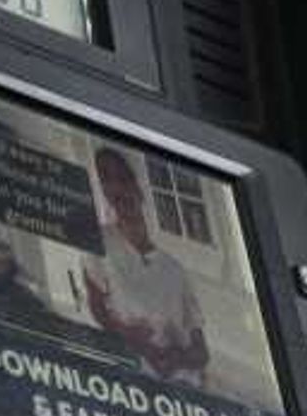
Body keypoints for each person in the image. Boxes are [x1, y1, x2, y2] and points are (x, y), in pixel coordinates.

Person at [81, 146, 210, 385]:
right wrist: (132, 339)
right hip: (132, 378)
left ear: (141, 187)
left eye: (124, 178)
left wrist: (176, 357)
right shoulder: (99, 243)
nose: (117, 187)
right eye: (106, 179)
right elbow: (98, 310)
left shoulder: (174, 270)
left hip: (183, 388)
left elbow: (201, 353)